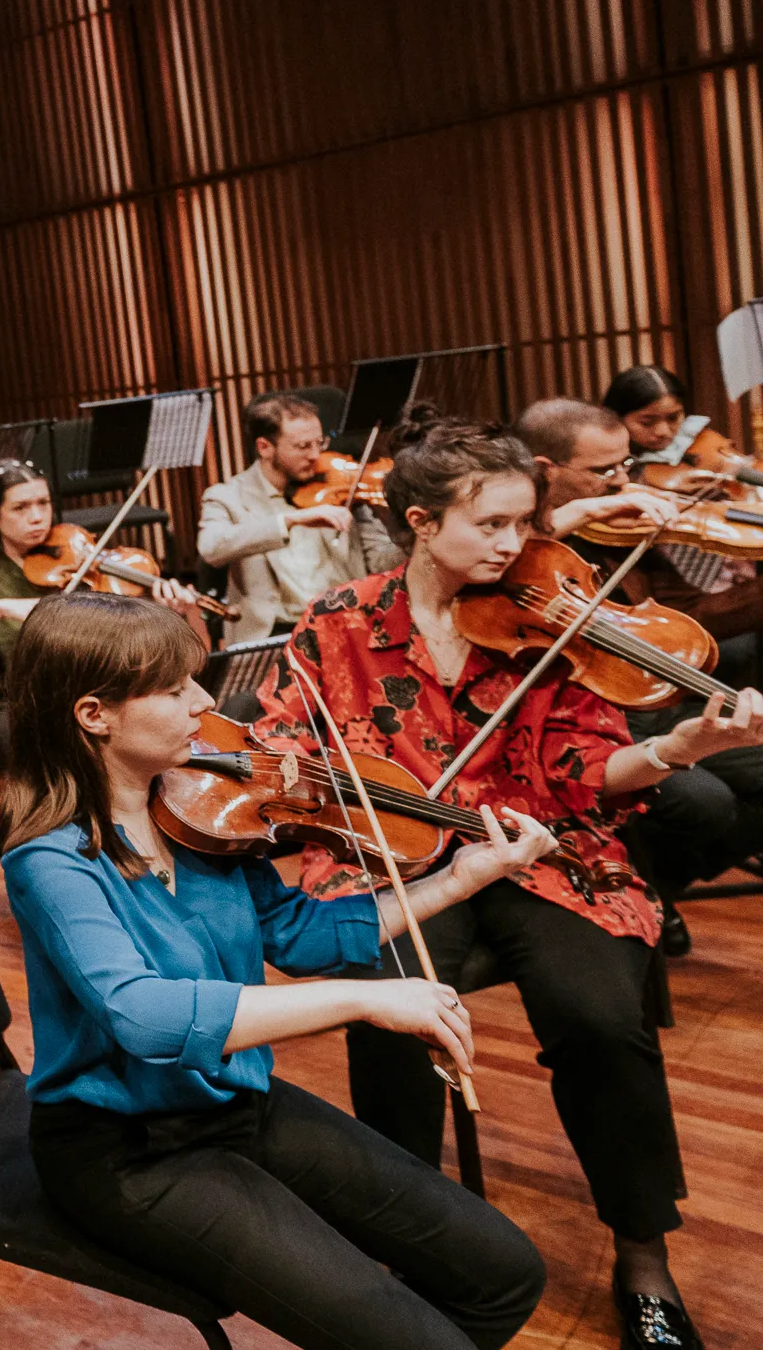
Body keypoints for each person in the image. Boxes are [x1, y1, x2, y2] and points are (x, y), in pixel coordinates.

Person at [254, 406, 763, 1350]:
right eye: (491, 524)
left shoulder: (550, 623)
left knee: (603, 1018)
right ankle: (412, 1243)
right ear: (418, 522)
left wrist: (685, 743)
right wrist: (317, 790)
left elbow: (591, 770)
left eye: (525, 521)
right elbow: (282, 738)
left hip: (549, 855)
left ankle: (642, 1255)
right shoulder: (340, 624)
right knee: (387, 1010)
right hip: (401, 859)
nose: (517, 544)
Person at [1, 591, 550, 1350]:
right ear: (94, 714)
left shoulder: (198, 814)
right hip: (128, 1150)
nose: (204, 702)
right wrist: (364, 1001)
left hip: (237, 1102)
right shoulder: (51, 859)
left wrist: (462, 877)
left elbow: (296, 932)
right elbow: (147, 1016)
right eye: (174, 688)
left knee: (506, 1270)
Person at [516, 397, 763, 956]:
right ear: (545, 470)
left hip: (647, 696)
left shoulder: (617, 526)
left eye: (625, 465)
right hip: (575, 728)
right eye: (605, 470)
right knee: (705, 802)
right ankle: (643, 891)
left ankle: (658, 888)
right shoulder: (516, 538)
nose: (624, 480)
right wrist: (575, 516)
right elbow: (516, 558)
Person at [0, 458, 201, 761]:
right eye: (20, 508)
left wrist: (175, 611)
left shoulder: (78, 561)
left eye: (43, 503)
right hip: (17, 705)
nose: (36, 517)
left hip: (92, 695)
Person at [198, 394, 399, 645]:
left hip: (347, 624)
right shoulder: (227, 497)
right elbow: (211, 546)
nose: (316, 455)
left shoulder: (340, 487)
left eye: (320, 442)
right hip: (276, 634)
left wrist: (408, 534)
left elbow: (381, 561)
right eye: (303, 447)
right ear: (265, 447)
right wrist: (291, 520)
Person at [599, 364, 763, 640]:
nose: (664, 432)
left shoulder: (701, 444)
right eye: (647, 422)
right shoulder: (615, 476)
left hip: (738, 570)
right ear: (617, 419)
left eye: (674, 418)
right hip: (681, 597)